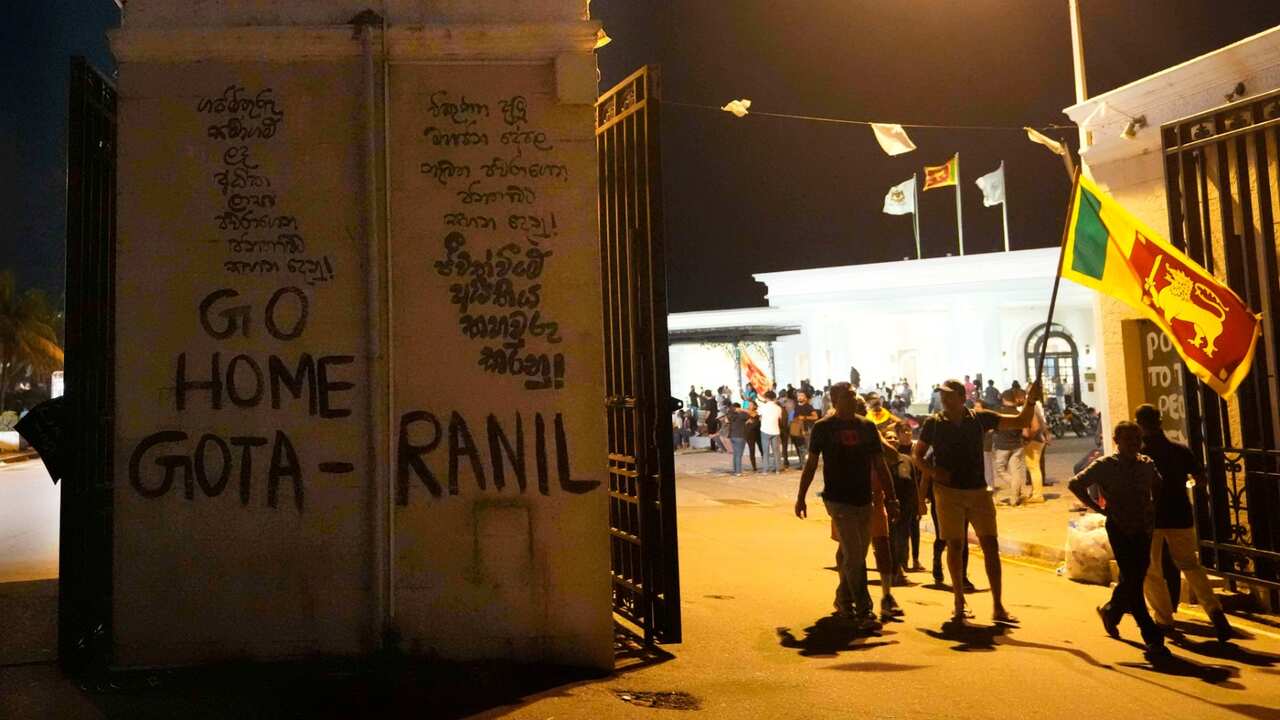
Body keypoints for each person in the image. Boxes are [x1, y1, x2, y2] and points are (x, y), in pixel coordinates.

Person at [914, 377, 1041, 624]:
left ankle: (998, 605)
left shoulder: (979, 419)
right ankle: (959, 602)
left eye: (949, 395)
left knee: (990, 546)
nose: (944, 399)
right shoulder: (934, 423)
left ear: (963, 398)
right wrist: (932, 471)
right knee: (955, 545)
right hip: (948, 492)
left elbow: (1021, 421)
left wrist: (1031, 399)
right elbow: (917, 455)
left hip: (978, 490)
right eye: (943, 395)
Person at [795, 382, 897, 631]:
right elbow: (811, 465)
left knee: (856, 555)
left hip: (864, 499)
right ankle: (864, 611)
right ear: (835, 399)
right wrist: (801, 496)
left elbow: (880, 463)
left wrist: (892, 498)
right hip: (838, 500)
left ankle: (843, 598)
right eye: (849, 395)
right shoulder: (823, 428)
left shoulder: (867, 426)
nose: (855, 398)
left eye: (855, 395)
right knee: (854, 554)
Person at [1068, 421, 1171, 658]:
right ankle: (1152, 636)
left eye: (1137, 440)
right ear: (1117, 441)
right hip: (1120, 528)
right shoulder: (1105, 465)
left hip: (1144, 529)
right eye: (1128, 440)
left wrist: (1153, 506)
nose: (1134, 445)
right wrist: (1097, 507)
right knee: (1134, 583)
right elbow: (1075, 484)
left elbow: (1158, 483)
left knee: (1134, 577)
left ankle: (1111, 612)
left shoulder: (1146, 464)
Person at [1135, 404, 1234, 642]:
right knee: (1191, 565)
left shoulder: (1140, 454)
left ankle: (1164, 619)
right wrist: (1185, 484)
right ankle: (1215, 611)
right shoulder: (1179, 450)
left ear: (1139, 424)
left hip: (1152, 518)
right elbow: (1200, 479)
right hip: (1180, 513)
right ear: (1160, 421)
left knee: (1152, 569)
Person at [991, 390, 1027, 506]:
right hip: (1017, 445)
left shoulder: (998, 413)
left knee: (1000, 470)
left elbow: (992, 428)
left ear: (1003, 399)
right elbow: (1025, 432)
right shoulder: (1018, 413)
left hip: (1002, 446)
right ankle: (1014, 497)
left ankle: (1015, 487)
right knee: (1016, 470)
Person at [1020, 388, 1049, 504]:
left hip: (1034, 441)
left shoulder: (1028, 408)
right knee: (1035, 467)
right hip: (1039, 439)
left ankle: (1037, 495)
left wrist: (1028, 438)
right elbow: (1042, 423)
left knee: (1033, 468)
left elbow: (1035, 426)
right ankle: (1035, 492)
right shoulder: (1035, 406)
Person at [758, 391, 783, 473]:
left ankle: (765, 470)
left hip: (765, 430)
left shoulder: (762, 407)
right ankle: (777, 469)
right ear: (774, 398)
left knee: (766, 451)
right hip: (775, 430)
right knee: (776, 451)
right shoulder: (778, 408)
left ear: (766, 398)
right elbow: (779, 418)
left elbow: (760, 417)